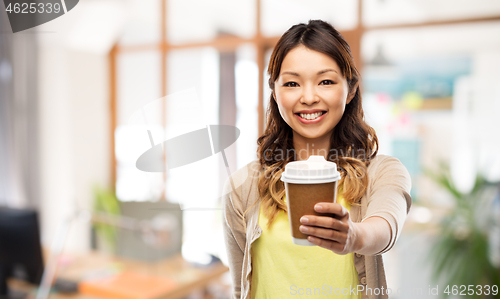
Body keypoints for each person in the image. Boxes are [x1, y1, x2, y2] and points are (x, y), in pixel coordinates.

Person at [222, 20, 411, 299]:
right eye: (291, 83)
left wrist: (354, 236)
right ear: (275, 92)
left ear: (351, 88)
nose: (308, 97)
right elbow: (241, 288)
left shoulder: (383, 172)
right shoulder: (243, 187)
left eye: (325, 81)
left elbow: (385, 228)